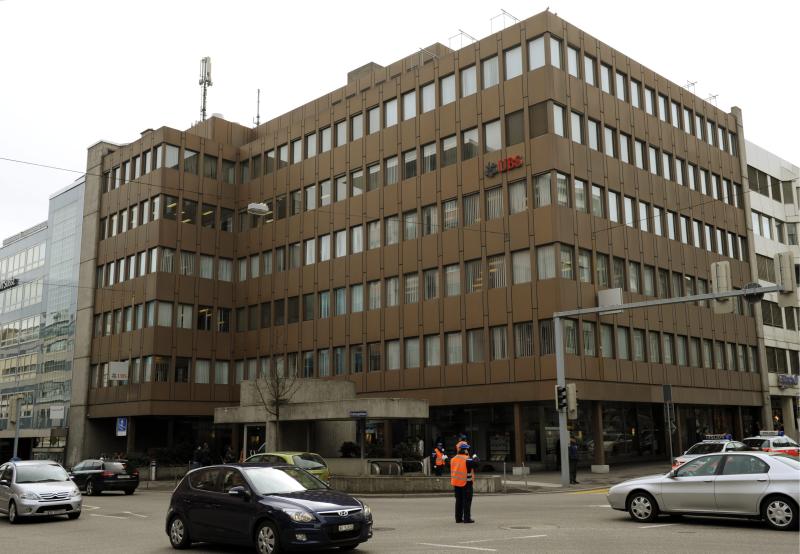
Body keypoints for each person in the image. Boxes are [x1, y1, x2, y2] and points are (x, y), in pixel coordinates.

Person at [451, 441, 479, 523]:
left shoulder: (453, 459)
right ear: (465, 450)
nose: (468, 451)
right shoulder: (467, 459)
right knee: (466, 501)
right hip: (466, 484)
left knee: (458, 501)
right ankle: (467, 518)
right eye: (467, 449)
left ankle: (458, 518)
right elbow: (477, 464)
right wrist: (475, 456)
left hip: (456, 483)